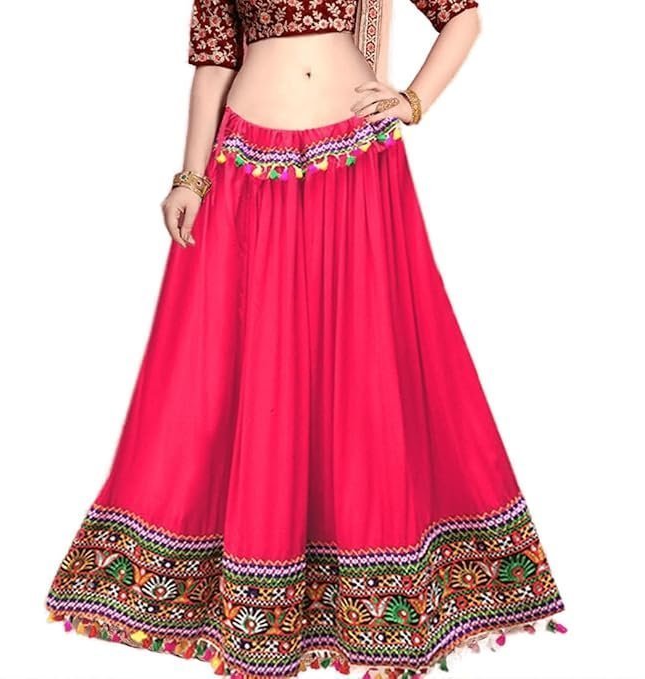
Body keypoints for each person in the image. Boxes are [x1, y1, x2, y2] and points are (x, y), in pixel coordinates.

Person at [45, 2, 566, 677]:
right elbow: (214, 64)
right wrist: (190, 178)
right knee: (247, 369)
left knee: (363, 367)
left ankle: (372, 584)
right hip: (248, 168)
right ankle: (256, 589)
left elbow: (462, 16)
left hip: (355, 161)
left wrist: (412, 101)